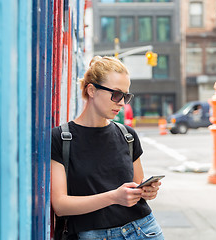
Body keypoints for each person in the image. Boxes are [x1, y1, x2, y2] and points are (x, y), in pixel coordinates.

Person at [51, 56, 164, 240]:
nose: (121, 103)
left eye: (126, 96)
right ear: (92, 90)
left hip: (144, 230)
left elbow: (136, 189)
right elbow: (60, 205)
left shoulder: (128, 135)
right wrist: (113, 197)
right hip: (94, 235)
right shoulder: (61, 138)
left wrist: (147, 192)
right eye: (116, 94)